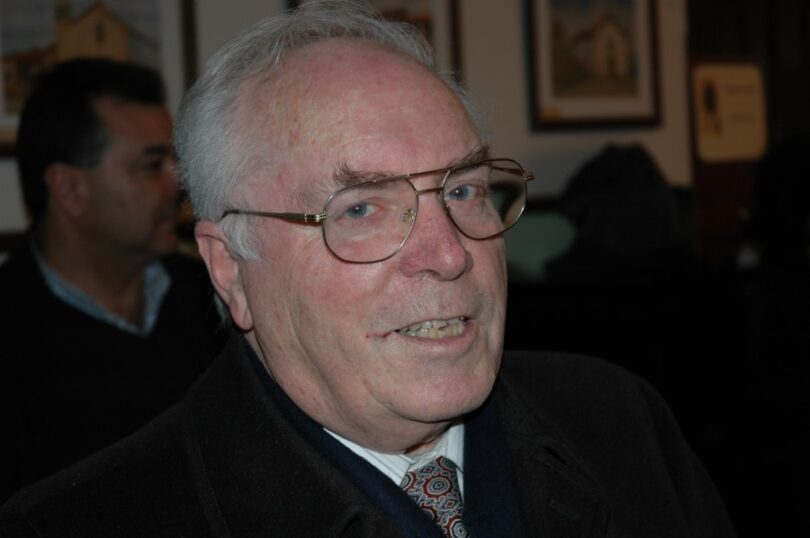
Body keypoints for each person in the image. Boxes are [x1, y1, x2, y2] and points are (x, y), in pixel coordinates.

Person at [0, 3, 735, 536]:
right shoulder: (85, 521)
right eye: (359, 209)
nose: (450, 253)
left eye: (463, 191)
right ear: (229, 270)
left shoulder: (620, 423)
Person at [0, 59, 224, 502]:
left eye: (175, 160)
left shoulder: (214, 295)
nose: (178, 184)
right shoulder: (9, 334)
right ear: (70, 189)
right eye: (152, 164)